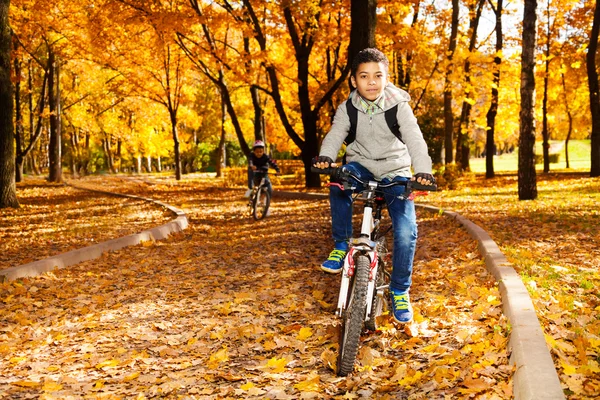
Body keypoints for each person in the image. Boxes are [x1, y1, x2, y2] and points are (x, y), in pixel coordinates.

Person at [312, 48, 435, 324]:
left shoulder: (398, 106)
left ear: (386, 78)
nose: (371, 82)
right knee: (339, 181)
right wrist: (326, 158)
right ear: (354, 81)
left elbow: (415, 139)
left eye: (378, 76)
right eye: (364, 76)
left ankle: (400, 290)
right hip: (362, 166)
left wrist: (423, 171)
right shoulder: (348, 108)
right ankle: (341, 244)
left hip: (395, 172)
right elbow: (335, 135)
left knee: (406, 231)